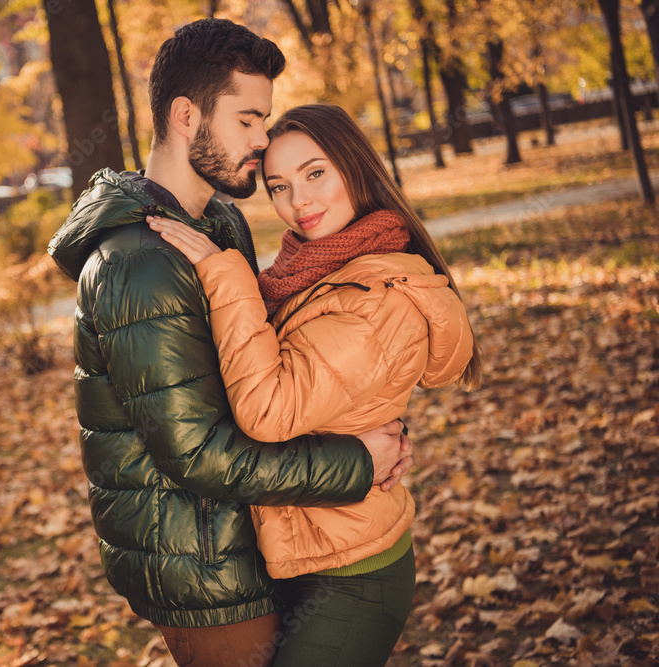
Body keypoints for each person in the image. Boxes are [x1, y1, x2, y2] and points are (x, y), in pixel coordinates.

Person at [47, 19, 414, 667]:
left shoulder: (219, 222)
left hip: (261, 533)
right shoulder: (137, 263)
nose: (263, 139)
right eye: (247, 119)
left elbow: (272, 365)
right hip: (202, 563)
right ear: (187, 116)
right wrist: (356, 463)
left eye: (264, 119)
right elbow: (196, 455)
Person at [146, 103, 483, 665]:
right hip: (302, 549)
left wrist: (225, 274)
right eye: (278, 185)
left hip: (354, 573)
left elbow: (268, 408)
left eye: (315, 173)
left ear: (355, 166)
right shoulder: (315, 271)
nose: (297, 201)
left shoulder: (382, 299)